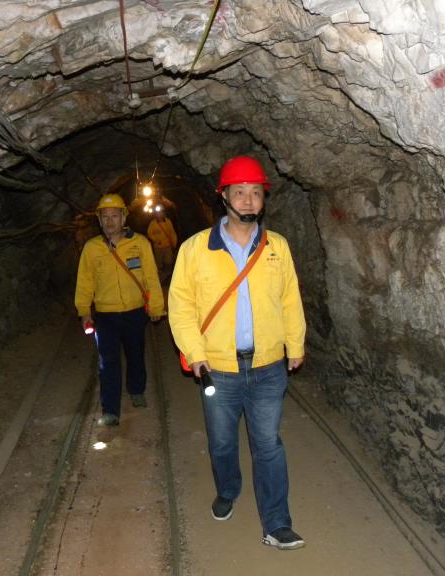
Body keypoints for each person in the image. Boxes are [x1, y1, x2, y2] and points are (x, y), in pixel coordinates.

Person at [168, 156, 307, 550]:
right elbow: (181, 305)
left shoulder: (277, 247)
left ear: (264, 199)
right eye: (240, 192)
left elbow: (290, 299)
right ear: (223, 197)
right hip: (218, 369)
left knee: (268, 444)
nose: (248, 200)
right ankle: (228, 489)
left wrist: (295, 343)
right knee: (223, 442)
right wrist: (195, 352)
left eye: (256, 192)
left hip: (267, 367)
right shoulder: (196, 249)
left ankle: (277, 523)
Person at [75, 193, 165, 426]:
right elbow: (85, 282)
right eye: (105, 217)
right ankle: (110, 409)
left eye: (114, 216)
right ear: (99, 220)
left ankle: (136, 390)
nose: (109, 221)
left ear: (124, 217)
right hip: (105, 316)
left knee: (136, 354)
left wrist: (156, 306)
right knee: (108, 362)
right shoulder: (92, 248)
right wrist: (84, 311)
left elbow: (151, 277)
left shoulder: (140, 243)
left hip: (135, 312)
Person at [146, 207, 178, 284]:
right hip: (158, 247)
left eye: (161, 213)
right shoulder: (153, 223)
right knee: (159, 264)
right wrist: (156, 240)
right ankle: (160, 279)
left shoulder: (168, 222)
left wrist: (174, 243)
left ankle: (167, 277)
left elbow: (172, 232)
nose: (160, 214)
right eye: (158, 213)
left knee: (169, 262)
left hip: (167, 246)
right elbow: (149, 233)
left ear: (163, 213)